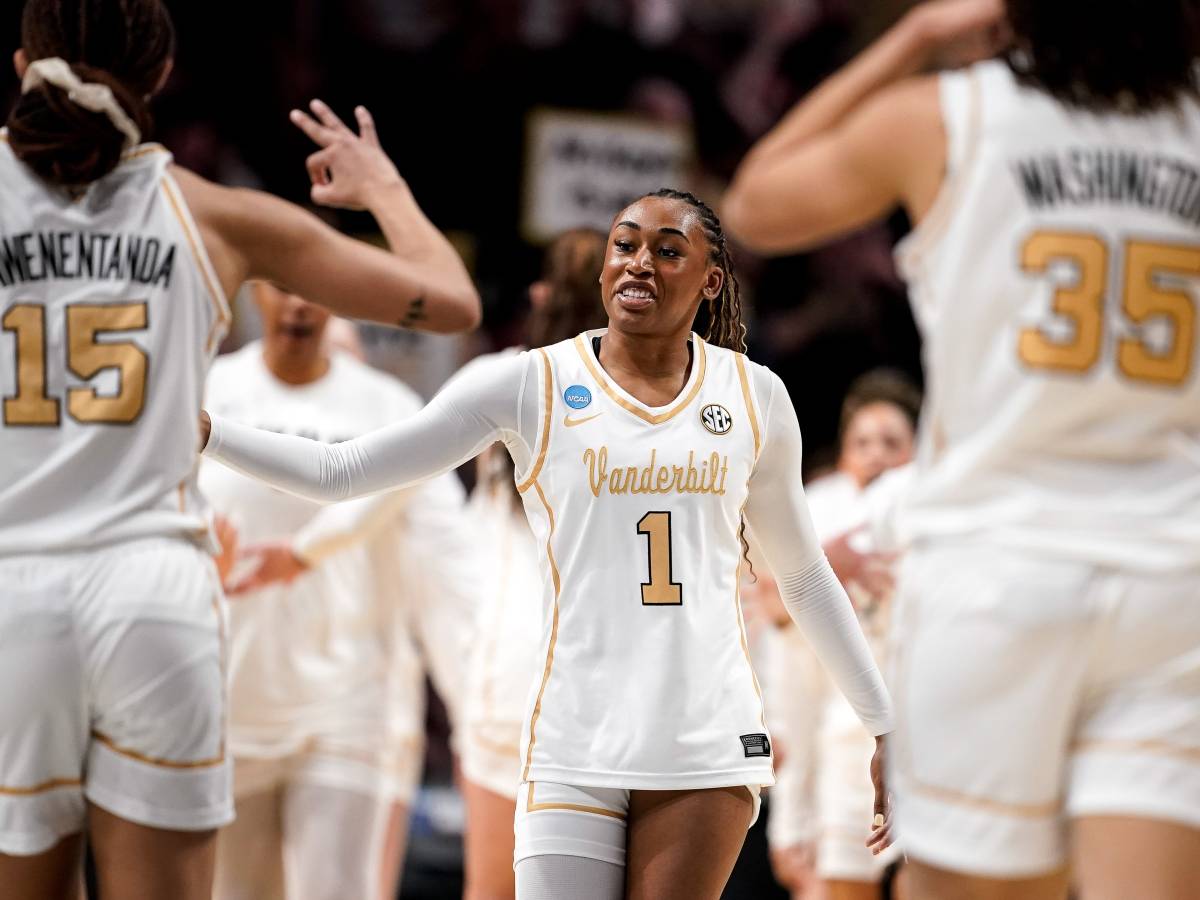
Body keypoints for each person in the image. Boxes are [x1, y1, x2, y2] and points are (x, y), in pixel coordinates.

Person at [199, 187, 894, 900]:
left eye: (667, 250)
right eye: (624, 246)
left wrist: (881, 722)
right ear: (602, 272)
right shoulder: (531, 384)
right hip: (573, 734)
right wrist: (211, 433)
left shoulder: (755, 397)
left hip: (703, 737)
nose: (639, 264)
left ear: (711, 280)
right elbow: (341, 471)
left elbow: (804, 578)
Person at [0, 1, 479, 897]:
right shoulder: (216, 216)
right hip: (153, 595)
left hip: (13, 595)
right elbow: (450, 302)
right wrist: (380, 189)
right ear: (162, 77)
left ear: (25, 64)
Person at [724, 1, 1200, 898]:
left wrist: (912, 41)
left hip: (997, 575)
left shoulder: (946, 112)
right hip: (1173, 582)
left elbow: (755, 200)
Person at [199, 283, 476, 900]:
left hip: (351, 702)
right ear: (254, 294)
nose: (300, 304)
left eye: (316, 289)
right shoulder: (203, 390)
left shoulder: (389, 406)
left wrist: (471, 705)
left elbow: (449, 563)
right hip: (228, 700)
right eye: (283, 286)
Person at [459, 227, 608, 900]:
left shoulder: (499, 379)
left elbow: (374, 476)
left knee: (491, 890)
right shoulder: (660, 394)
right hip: (604, 682)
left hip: (509, 673)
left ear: (540, 295)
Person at [759, 371, 919, 900]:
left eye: (892, 443)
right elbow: (776, 615)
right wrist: (791, 819)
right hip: (845, 745)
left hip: (929, 745)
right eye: (862, 442)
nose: (876, 454)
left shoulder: (931, 509)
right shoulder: (818, 507)